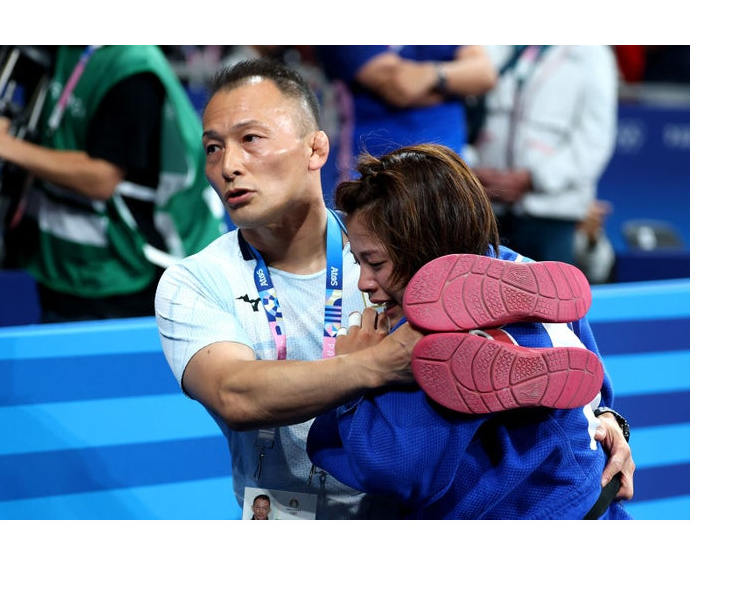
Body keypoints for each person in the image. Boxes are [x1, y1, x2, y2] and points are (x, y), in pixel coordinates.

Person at [154, 58, 634, 520]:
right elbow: (235, 395)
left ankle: (563, 431)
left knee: (474, 313)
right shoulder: (193, 282)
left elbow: (542, 298)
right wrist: (374, 364)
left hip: (400, 510)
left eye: (250, 139)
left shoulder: (398, 243)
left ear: (315, 149)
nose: (228, 165)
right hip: (287, 515)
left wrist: (605, 417)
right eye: (213, 147)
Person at [306, 143, 634, 519]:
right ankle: (500, 335)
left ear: (423, 247)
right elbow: (590, 383)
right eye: (358, 261)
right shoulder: (528, 276)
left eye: (375, 262)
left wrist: (354, 372)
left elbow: (392, 468)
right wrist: (611, 419)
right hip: (589, 501)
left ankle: (494, 336)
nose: (364, 282)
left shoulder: (422, 345)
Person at [0, 45, 226, 323]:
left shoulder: (132, 70)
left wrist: (3, 144)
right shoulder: (62, 49)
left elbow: (101, 178)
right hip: (62, 262)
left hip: (121, 269)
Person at [465, 45, 619, 266]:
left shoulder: (592, 53)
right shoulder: (488, 45)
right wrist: (470, 172)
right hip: (486, 209)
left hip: (551, 215)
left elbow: (594, 140)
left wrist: (534, 180)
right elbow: (465, 117)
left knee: (550, 296)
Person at [315, 45, 497, 188]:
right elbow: (400, 88)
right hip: (372, 179)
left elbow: (485, 74)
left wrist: (432, 74)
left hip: (446, 179)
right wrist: (455, 85)